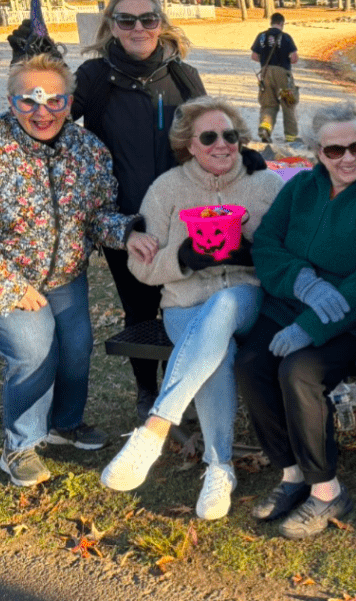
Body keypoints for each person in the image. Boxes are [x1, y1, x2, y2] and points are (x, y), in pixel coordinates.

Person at [0, 55, 158, 487]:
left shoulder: (87, 149)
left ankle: (64, 424)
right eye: (29, 101)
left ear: (70, 101)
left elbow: (97, 215)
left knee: (76, 347)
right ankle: (21, 444)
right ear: (10, 100)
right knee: (34, 349)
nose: (43, 112)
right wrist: (9, 286)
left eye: (55, 101)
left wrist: (127, 233)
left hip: (63, 276)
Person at [99, 96, 283, 520]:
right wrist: (181, 259)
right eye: (209, 137)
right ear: (190, 145)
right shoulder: (166, 188)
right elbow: (140, 266)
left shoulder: (266, 185)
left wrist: (251, 255)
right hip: (183, 303)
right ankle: (220, 468)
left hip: (245, 299)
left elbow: (288, 252)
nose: (222, 145)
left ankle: (155, 428)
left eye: (231, 136)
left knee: (223, 304)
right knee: (215, 356)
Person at [235, 102, 356, 539]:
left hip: (349, 318)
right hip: (292, 302)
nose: (348, 158)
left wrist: (312, 327)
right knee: (252, 364)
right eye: (334, 151)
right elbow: (268, 244)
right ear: (316, 151)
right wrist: (303, 282)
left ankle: (327, 489)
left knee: (299, 372)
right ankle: (292, 474)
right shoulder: (301, 189)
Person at [74, 0, 208, 423]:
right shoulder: (94, 79)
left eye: (148, 19)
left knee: (182, 300)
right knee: (138, 307)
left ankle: (178, 384)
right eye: (126, 20)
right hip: (123, 220)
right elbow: (50, 118)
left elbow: (207, 138)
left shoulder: (183, 76)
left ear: (160, 23)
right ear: (112, 25)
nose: (138, 28)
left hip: (180, 216)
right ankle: (146, 390)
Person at [251, 12, 299, 143]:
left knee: (268, 104)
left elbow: (254, 56)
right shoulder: (286, 37)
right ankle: (291, 136)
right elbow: (294, 58)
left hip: (265, 73)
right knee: (288, 104)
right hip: (283, 74)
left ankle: (265, 128)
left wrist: (266, 60)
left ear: (271, 22)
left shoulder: (261, 36)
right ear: (282, 23)